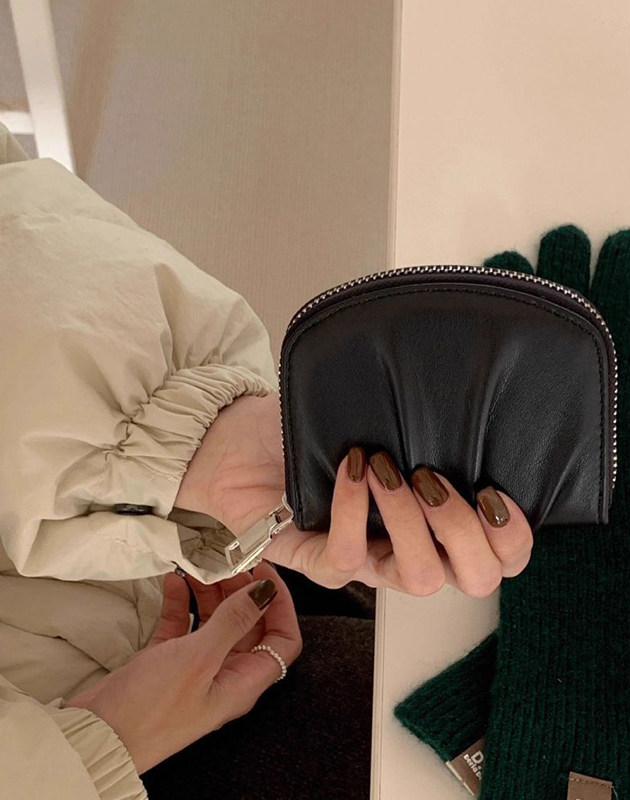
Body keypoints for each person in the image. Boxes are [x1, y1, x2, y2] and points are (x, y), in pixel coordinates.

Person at [0, 124, 533, 799]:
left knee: (406, 601)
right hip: (96, 738)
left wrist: (184, 444)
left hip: (131, 537)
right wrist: (92, 753)